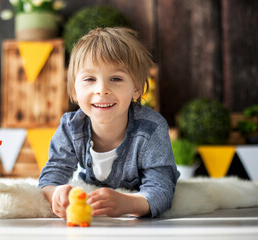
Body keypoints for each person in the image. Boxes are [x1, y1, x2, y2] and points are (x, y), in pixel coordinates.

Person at [38, 27, 179, 219]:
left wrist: (127, 203)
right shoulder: (71, 127)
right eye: (89, 79)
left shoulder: (152, 128)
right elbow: (51, 176)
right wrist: (57, 195)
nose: (102, 90)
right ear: (74, 91)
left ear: (136, 89)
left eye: (116, 79)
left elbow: (161, 189)